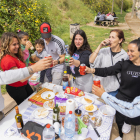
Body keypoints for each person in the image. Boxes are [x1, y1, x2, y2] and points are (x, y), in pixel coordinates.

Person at [86, 38, 140, 140]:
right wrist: (91, 70)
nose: (128, 53)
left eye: (132, 51)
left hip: (136, 102)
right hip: (121, 98)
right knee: (119, 122)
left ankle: (128, 122)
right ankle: (120, 136)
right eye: (128, 50)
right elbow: (108, 70)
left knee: (134, 121)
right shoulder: (124, 63)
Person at [89, 29, 128, 96]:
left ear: (120, 40)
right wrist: (100, 46)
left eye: (113, 37)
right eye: (109, 37)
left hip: (113, 90)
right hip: (99, 88)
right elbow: (91, 61)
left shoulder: (124, 56)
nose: (110, 39)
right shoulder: (103, 51)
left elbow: (113, 71)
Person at [1, 32, 33, 105]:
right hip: (16, 89)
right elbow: (20, 78)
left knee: (32, 100)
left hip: (23, 85)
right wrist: (36, 68)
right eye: (14, 44)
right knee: (25, 106)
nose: (18, 46)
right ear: (6, 45)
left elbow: (23, 62)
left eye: (17, 43)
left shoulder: (14, 55)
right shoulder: (8, 60)